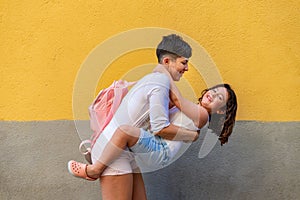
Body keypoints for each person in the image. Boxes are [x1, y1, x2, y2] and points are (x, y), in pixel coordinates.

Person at [69, 34, 196, 200]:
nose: (186, 68)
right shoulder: (159, 84)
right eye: (183, 62)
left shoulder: (156, 81)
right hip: (114, 153)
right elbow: (160, 128)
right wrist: (192, 135)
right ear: (167, 61)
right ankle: (93, 170)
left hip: (124, 151)